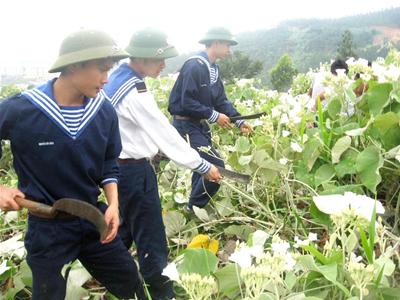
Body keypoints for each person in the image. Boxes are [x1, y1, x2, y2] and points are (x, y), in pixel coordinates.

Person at [0, 29, 147, 299]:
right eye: (102, 70)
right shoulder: (23, 110)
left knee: (130, 283)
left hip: (93, 219)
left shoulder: (103, 111)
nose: (106, 79)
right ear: (74, 65)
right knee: (48, 294)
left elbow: (108, 164)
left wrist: (113, 204)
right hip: (48, 228)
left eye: (109, 71)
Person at [103, 28, 222, 300]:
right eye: (159, 60)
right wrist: (202, 165)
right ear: (143, 58)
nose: (164, 65)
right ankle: (161, 293)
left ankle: (117, 285)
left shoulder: (119, 77)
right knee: (151, 238)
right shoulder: (132, 89)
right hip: (133, 170)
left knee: (124, 230)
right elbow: (163, 132)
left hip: (118, 171)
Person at [168, 27, 252, 210]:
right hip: (185, 125)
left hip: (198, 125)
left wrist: (239, 121)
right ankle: (193, 208)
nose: (229, 49)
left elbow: (220, 100)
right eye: (227, 45)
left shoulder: (213, 68)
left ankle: (193, 207)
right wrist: (214, 116)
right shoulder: (195, 66)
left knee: (202, 168)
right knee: (215, 168)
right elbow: (186, 101)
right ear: (215, 43)